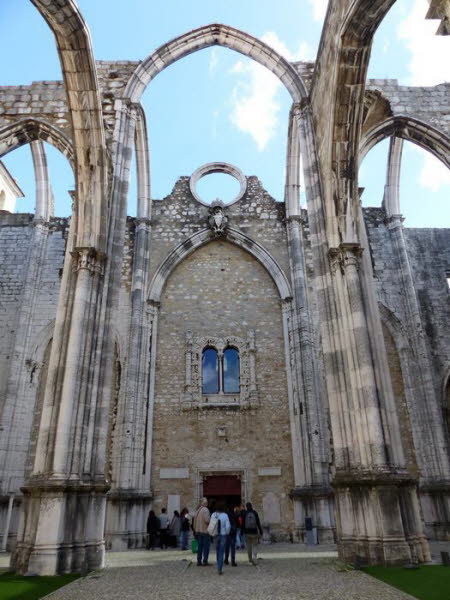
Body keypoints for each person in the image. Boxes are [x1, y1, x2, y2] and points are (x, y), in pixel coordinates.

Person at [210, 502, 230, 575]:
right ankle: (219, 567)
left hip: (215, 535)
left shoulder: (213, 515)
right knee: (221, 551)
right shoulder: (225, 515)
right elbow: (228, 526)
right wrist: (227, 533)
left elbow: (211, 525)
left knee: (217, 550)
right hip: (223, 535)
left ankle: (219, 564)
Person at [193, 497, 211, 566]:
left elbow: (194, 521)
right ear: (205, 503)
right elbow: (207, 520)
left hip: (198, 531)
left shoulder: (198, 510)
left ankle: (198, 561)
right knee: (206, 547)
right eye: (206, 502)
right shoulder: (205, 510)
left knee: (200, 547)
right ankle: (205, 561)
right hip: (205, 531)